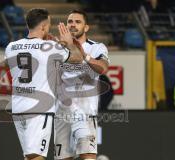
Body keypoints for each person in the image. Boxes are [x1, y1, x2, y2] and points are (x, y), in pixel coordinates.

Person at [4, 8, 84, 160]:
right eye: (49, 25)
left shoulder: (11, 47)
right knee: (36, 157)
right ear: (43, 27)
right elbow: (78, 58)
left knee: (29, 156)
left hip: (18, 108)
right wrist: (68, 43)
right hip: (39, 109)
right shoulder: (50, 48)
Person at [55, 10, 110, 160]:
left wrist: (84, 55)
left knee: (87, 157)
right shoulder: (57, 49)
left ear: (86, 28)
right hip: (63, 113)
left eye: (78, 22)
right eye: (70, 22)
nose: (73, 25)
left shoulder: (97, 47)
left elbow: (103, 68)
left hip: (86, 112)